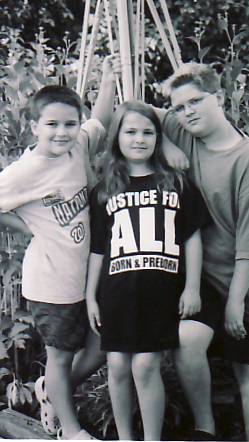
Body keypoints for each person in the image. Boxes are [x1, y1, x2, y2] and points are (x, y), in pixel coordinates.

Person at [156, 62, 249, 442]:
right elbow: (137, 115)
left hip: (248, 283)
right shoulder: (183, 131)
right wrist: (165, 142)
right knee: (186, 340)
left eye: (196, 101)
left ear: (221, 99)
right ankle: (205, 429)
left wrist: (236, 303)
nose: (187, 112)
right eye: (179, 107)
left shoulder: (248, 161)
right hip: (203, 278)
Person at [0, 55, 120, 440]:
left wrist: (108, 78)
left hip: (89, 274)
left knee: (103, 345)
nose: (62, 132)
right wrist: (31, 228)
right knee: (60, 354)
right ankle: (71, 430)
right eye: (52, 125)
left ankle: (51, 389)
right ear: (34, 127)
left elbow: (98, 120)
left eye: (70, 124)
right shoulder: (25, 171)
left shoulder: (77, 148)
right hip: (52, 280)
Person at [85, 100, 212, 441]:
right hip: (116, 292)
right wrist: (90, 296)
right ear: (117, 138)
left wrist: (192, 287)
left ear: (158, 137)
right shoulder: (105, 189)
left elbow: (193, 239)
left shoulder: (176, 183)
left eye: (147, 132)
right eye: (130, 132)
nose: (139, 139)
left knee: (145, 366)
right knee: (117, 366)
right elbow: (98, 249)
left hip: (160, 292)